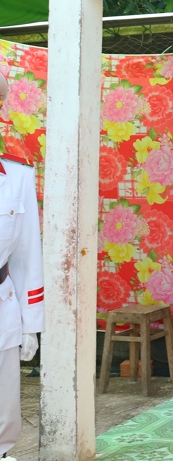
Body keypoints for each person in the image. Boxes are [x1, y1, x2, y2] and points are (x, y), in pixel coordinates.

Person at [0, 74, 43, 461]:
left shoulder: (18, 177)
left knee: (3, 412)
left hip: (1, 306)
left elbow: (28, 255)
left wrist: (31, 323)